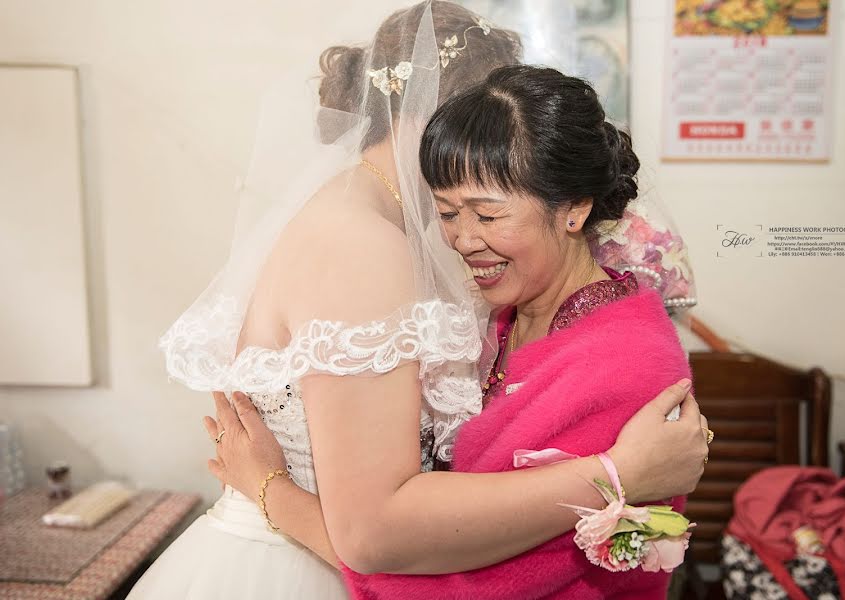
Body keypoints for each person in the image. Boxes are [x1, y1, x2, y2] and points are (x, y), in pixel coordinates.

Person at [130, 4, 708, 599]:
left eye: (484, 212)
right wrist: (618, 476)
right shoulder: (363, 244)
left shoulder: (379, 226)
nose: (460, 234)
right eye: (457, 211)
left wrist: (273, 492)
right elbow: (376, 528)